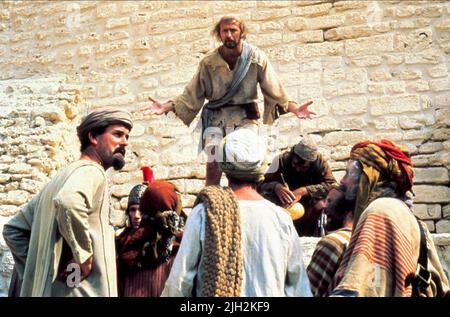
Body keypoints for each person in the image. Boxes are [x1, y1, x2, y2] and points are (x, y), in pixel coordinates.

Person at [142, 15, 315, 186]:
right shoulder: (208, 62)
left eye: (233, 30)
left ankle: (248, 200)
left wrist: (295, 109)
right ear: (219, 33)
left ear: (242, 32)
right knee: (213, 166)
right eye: (225, 31)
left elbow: (275, 90)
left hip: (245, 117)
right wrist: (166, 106)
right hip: (217, 118)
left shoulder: (256, 58)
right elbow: (192, 93)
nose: (229, 35)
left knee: (245, 162)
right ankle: (212, 201)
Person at [161, 128, 312, 297]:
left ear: (224, 166)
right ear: (261, 167)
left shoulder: (204, 213)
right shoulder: (281, 219)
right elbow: (299, 289)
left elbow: (179, 284)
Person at [3, 108, 133, 297]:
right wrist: (83, 256)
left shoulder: (58, 179)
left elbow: (13, 230)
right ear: (93, 137)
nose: (125, 143)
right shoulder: (92, 170)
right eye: (118, 134)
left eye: (127, 137)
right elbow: (69, 200)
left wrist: (46, 273)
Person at [330, 139, 450, 297]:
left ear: (369, 176)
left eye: (349, 173)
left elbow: (357, 288)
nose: (343, 181)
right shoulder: (414, 221)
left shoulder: (380, 212)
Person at [116, 180, 185, 297]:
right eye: (132, 210)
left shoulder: (130, 247)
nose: (136, 216)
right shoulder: (184, 248)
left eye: (140, 210)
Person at [260, 137, 337, 237]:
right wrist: (276, 186)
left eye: (303, 167)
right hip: (284, 204)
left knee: (321, 204)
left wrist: (304, 191)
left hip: (309, 206)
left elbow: (332, 185)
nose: (298, 169)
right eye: (295, 164)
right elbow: (261, 184)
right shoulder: (281, 160)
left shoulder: (319, 162)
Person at [307, 187, 354, 297]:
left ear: (347, 210)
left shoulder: (334, 242)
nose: (325, 206)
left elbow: (307, 291)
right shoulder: (361, 238)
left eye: (331, 201)